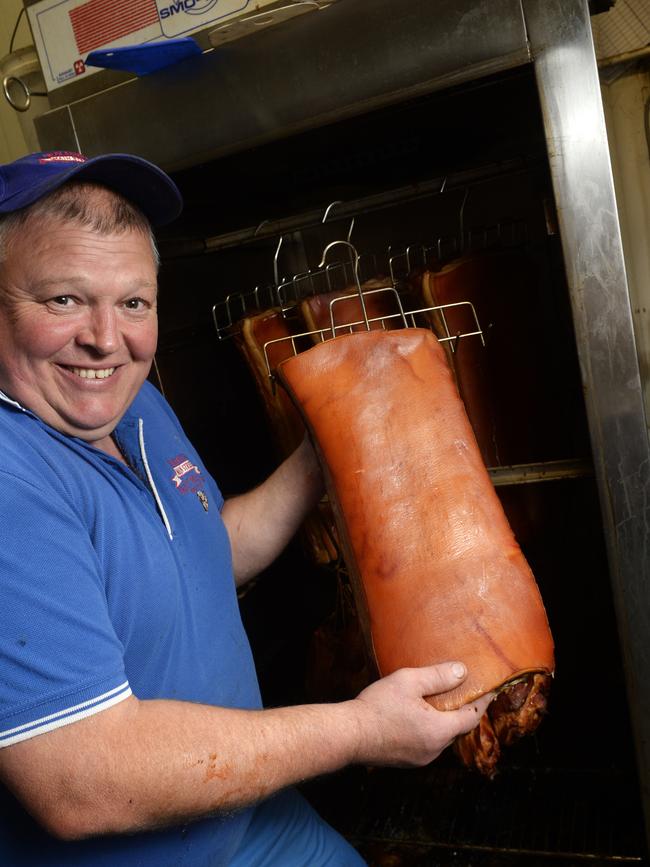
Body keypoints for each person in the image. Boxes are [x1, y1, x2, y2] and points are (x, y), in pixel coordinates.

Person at [0, 151, 492, 866]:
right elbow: (83, 781)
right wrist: (357, 730)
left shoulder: (131, 401)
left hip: (245, 817)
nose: (106, 339)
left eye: (133, 302)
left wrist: (326, 452)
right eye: (64, 300)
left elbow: (206, 551)